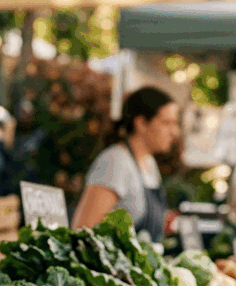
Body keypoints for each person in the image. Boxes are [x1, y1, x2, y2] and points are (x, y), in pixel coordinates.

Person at [71, 87, 178, 241]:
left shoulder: (149, 163)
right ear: (141, 123)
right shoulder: (115, 162)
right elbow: (83, 230)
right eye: (166, 123)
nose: (174, 132)